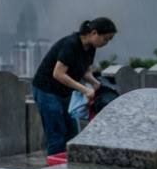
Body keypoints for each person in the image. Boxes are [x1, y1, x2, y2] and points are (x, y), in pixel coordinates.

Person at [31, 17, 117, 155]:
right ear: (94, 33)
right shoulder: (71, 44)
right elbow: (58, 73)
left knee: (72, 133)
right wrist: (84, 89)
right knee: (56, 134)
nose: (106, 43)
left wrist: (95, 83)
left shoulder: (90, 48)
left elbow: (84, 69)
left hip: (65, 91)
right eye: (105, 39)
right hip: (47, 90)